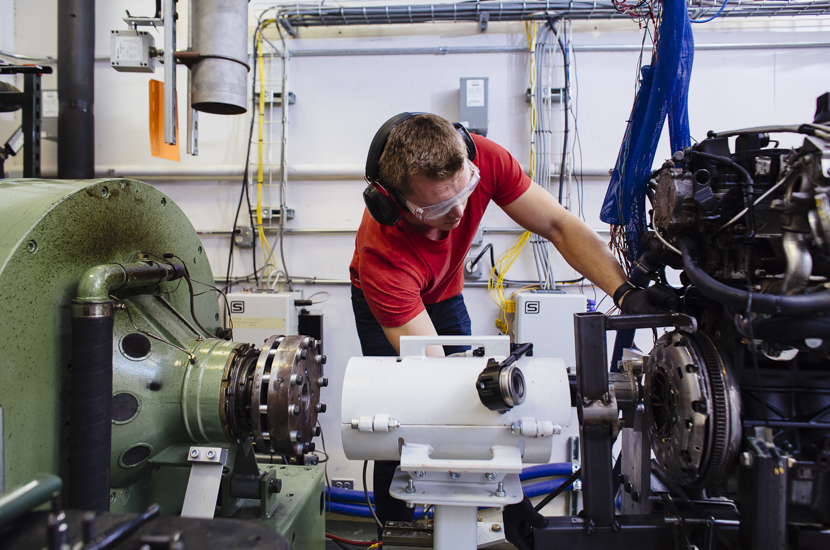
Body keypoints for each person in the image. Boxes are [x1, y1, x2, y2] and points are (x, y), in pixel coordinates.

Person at [349, 112, 678, 543]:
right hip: (386, 302)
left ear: (468, 159)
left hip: (444, 291)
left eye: (465, 191)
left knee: (473, 380)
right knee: (402, 412)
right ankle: (396, 526)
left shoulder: (484, 160)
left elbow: (558, 225)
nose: (460, 212)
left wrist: (625, 293)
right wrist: (512, 494)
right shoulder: (382, 257)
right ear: (393, 205)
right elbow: (437, 386)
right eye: (436, 208)